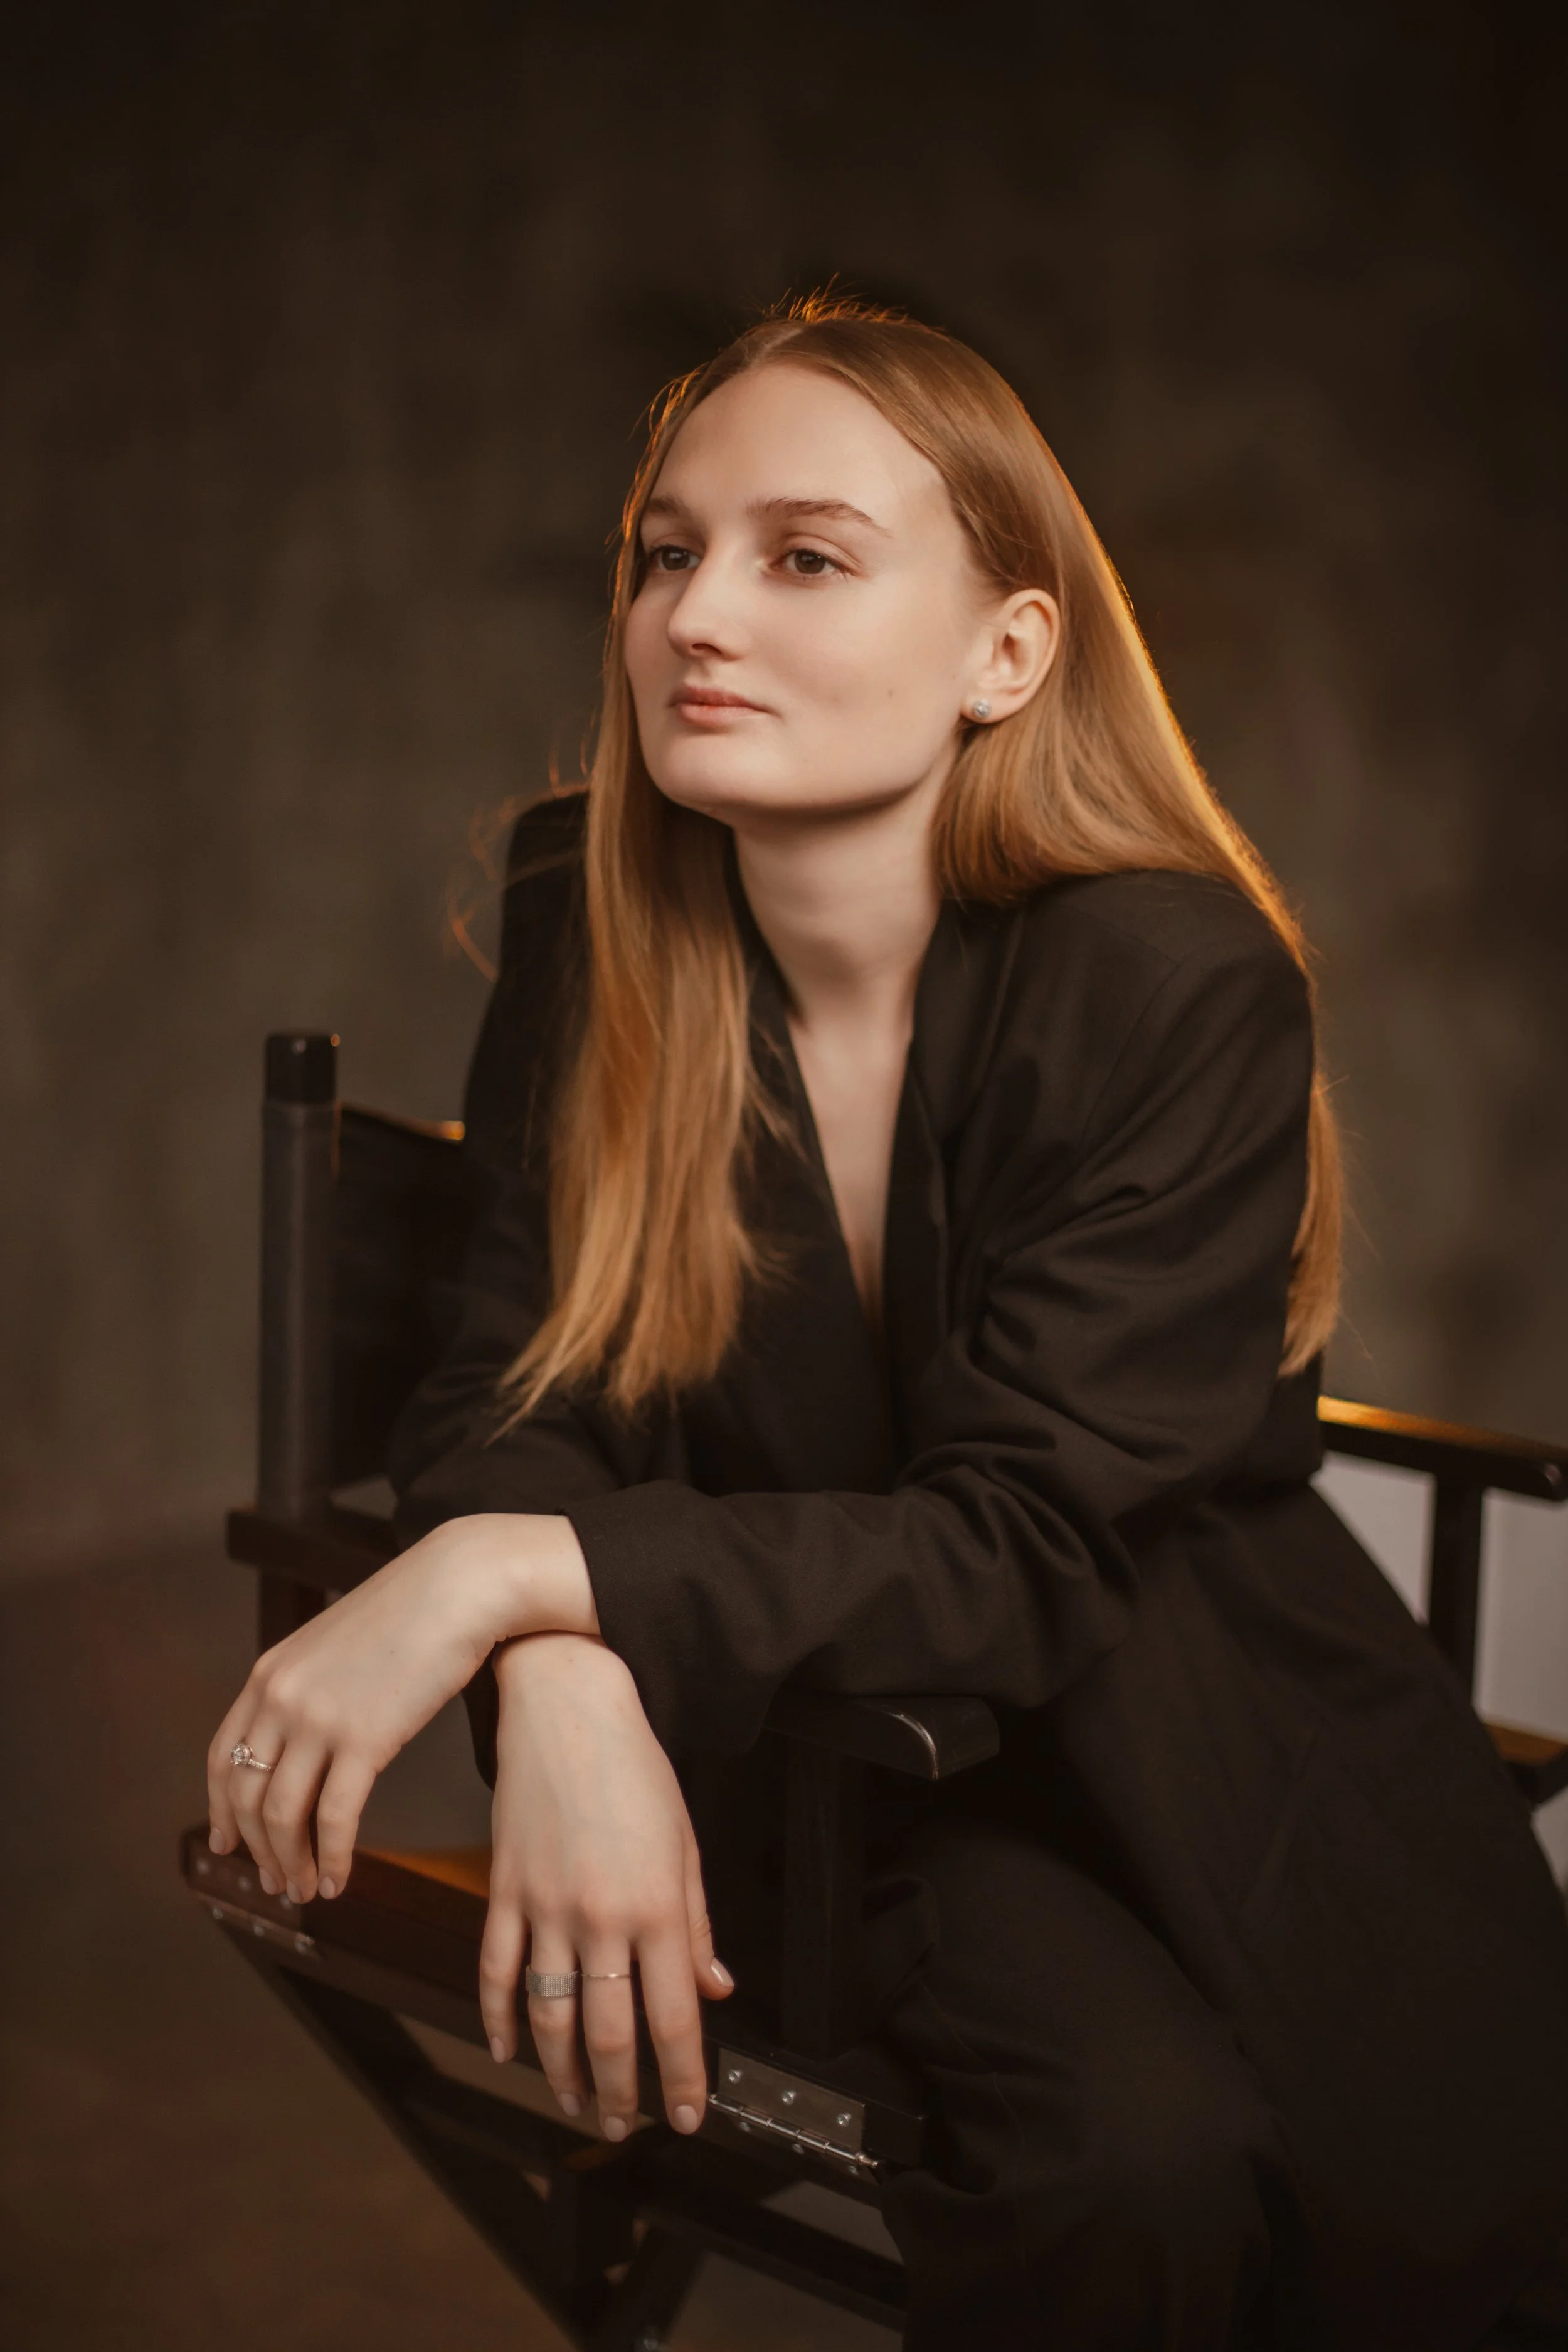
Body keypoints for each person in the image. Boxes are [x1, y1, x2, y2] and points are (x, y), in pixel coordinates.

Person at [207, 298, 1568, 2351]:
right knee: (1129, 2160)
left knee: (1378, 2183)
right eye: (667, 552)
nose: (694, 615)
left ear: (1004, 654)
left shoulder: (1173, 981)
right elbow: (512, 1382)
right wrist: (566, 1680)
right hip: (840, 1758)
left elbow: (1020, 1545)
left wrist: (505, 1575)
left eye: (806, 557)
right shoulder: (601, 927)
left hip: (1191, 1718)